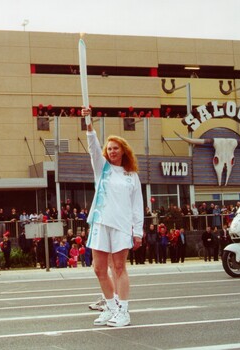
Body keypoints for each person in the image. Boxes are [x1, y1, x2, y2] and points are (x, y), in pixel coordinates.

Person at [83, 107, 143, 328]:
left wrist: (138, 231)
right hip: (100, 222)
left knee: (119, 267)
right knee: (99, 268)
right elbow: (92, 147)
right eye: (109, 148)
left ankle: (123, 311)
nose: (112, 151)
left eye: (116, 148)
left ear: (123, 151)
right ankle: (110, 307)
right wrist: (88, 121)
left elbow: (138, 206)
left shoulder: (131, 176)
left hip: (121, 225)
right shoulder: (102, 169)